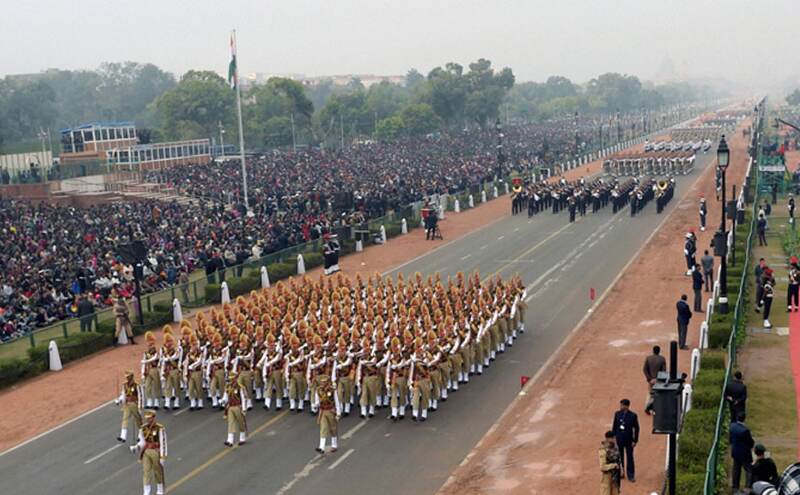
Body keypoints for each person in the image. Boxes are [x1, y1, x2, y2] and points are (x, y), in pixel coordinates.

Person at [134, 409, 167, 495]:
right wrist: (137, 447)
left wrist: (162, 456)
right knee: (146, 472)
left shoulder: (159, 428)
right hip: (146, 451)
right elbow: (142, 441)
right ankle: (146, 491)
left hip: (155, 451)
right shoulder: (143, 428)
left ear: (153, 418)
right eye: (147, 418)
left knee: (157, 471)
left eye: (150, 418)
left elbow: (163, 442)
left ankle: (159, 490)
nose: (148, 420)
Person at [611, 399, 639, 482]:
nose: (620, 406)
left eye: (622, 405)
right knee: (619, 457)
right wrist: (613, 438)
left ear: (626, 406)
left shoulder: (633, 416)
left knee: (630, 457)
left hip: (629, 440)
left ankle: (631, 475)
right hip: (619, 439)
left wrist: (635, 440)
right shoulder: (617, 414)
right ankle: (620, 473)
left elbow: (636, 428)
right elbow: (614, 426)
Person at [730, 411, 755, 493]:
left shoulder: (732, 426)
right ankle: (748, 487)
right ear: (744, 418)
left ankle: (735, 487)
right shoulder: (745, 431)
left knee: (736, 470)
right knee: (748, 470)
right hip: (744, 454)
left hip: (735, 452)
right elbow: (750, 442)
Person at [115, 370, 143, 443]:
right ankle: (123, 436)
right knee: (125, 419)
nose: (127, 378)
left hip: (134, 404)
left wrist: (140, 407)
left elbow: (141, 396)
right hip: (127, 404)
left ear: (132, 377)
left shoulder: (137, 385)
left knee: (138, 420)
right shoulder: (124, 385)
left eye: (128, 377)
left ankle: (141, 435)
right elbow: (123, 394)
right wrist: (119, 400)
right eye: (126, 377)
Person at [643, 346, 666, 415]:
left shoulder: (648, 358)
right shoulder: (662, 359)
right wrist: (658, 379)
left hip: (651, 380)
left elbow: (644, 369)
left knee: (650, 393)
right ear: (659, 351)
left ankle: (647, 407)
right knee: (658, 394)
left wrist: (649, 379)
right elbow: (664, 371)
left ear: (653, 351)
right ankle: (652, 408)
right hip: (658, 380)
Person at [599, 430, 621, 495]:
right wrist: (613, 465)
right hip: (607, 477)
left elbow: (618, 459)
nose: (614, 439)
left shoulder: (615, 447)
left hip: (615, 477)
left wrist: (621, 469)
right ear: (608, 439)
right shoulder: (603, 450)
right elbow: (602, 467)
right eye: (613, 438)